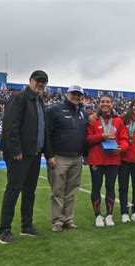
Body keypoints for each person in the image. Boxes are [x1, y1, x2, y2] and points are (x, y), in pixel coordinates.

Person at [0, 70, 49, 244]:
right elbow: (11, 125)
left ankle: (27, 225)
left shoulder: (40, 101)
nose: (40, 84)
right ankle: (4, 231)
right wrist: (15, 150)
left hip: (34, 153)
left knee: (29, 191)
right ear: (30, 81)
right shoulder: (19, 97)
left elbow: (42, 129)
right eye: (38, 81)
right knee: (14, 190)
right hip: (20, 154)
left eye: (44, 82)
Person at [45, 85, 88, 232]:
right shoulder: (54, 110)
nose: (76, 97)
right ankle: (57, 221)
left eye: (79, 94)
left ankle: (68, 220)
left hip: (77, 157)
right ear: (66, 95)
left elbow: (86, 136)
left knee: (71, 191)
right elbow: (47, 134)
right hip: (59, 157)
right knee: (57, 191)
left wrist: (85, 155)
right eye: (73, 94)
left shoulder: (83, 113)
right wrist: (49, 155)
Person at [86, 95, 128, 227]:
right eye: (103, 102)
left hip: (113, 159)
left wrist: (121, 148)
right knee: (96, 187)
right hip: (96, 159)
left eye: (108, 102)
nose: (105, 104)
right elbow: (88, 139)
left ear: (112, 104)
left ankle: (109, 216)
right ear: (98, 104)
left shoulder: (118, 121)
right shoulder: (93, 119)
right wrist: (101, 136)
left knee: (110, 187)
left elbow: (124, 139)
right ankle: (98, 216)